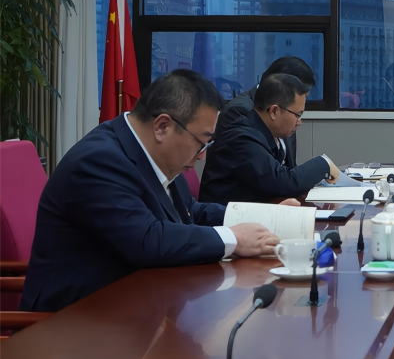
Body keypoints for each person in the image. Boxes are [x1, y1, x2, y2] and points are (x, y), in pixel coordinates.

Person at [21, 70, 285, 313]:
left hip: (137, 306)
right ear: (162, 127)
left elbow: (189, 212)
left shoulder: (153, 154)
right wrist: (234, 239)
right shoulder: (98, 161)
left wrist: (265, 217)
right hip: (75, 321)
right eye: (201, 142)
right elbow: (146, 240)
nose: (202, 155)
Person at [199, 74, 340, 205]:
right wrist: (323, 164)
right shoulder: (242, 139)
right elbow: (284, 183)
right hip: (226, 219)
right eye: (297, 115)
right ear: (274, 111)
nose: (299, 122)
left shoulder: (261, 133)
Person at [215, 55, 317, 168]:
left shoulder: (289, 111)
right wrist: (320, 165)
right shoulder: (238, 111)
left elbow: (290, 168)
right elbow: (259, 170)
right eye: (301, 95)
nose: (299, 120)